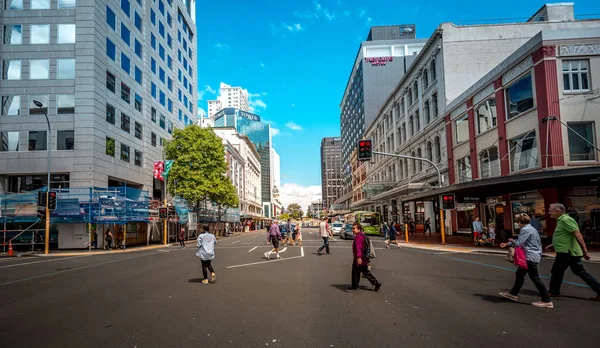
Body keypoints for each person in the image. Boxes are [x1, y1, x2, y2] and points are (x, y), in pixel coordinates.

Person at [546, 203, 600, 301]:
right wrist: (554, 245)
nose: (549, 212)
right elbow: (566, 236)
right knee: (579, 272)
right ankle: (554, 291)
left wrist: (585, 251)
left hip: (567, 252)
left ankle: (554, 291)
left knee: (557, 271)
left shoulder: (566, 220)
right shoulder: (562, 220)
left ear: (558, 211)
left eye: (550, 210)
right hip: (566, 251)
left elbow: (577, 235)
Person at [499, 213, 553, 308]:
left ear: (520, 222)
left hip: (529, 256)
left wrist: (511, 241)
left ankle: (546, 300)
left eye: (517, 222)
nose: (517, 224)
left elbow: (519, 243)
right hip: (533, 255)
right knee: (519, 274)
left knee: (535, 278)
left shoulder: (525, 230)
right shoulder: (532, 228)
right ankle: (513, 293)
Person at [349, 222, 381, 291]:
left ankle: (376, 283)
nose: (353, 230)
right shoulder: (361, 235)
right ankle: (355, 285)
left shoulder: (358, 237)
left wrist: (359, 257)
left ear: (359, 229)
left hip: (360, 258)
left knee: (365, 272)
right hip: (361, 257)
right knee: (356, 271)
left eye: (354, 228)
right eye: (352, 228)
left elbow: (358, 248)